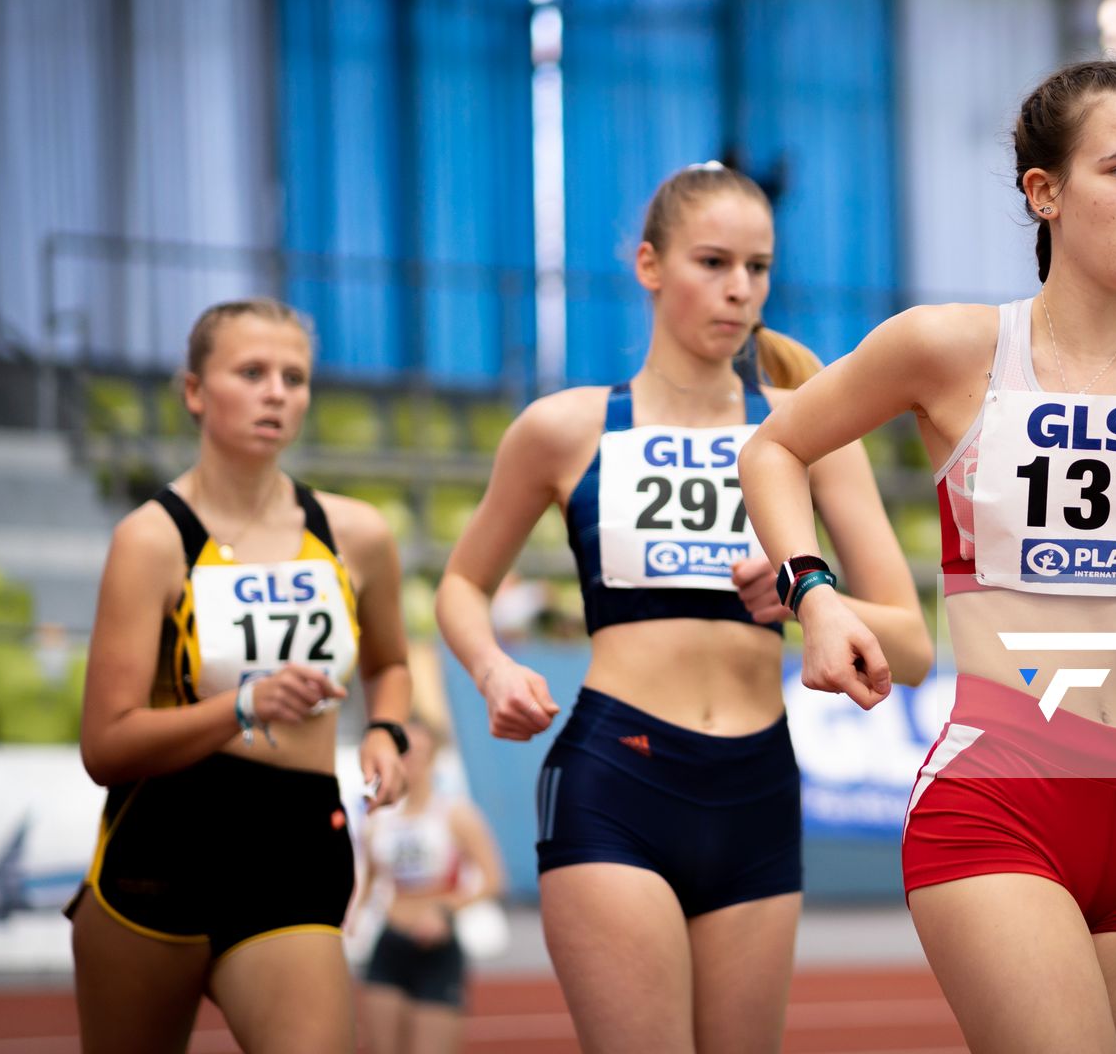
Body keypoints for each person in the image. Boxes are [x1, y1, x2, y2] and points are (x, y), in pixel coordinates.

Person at [740, 60, 1116, 1054]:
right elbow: (775, 446)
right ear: (1044, 191)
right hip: (1000, 795)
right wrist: (816, 594)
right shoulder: (952, 347)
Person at [436, 162, 931, 1054]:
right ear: (650, 265)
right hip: (616, 777)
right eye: (713, 262)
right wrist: (493, 666)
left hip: (757, 789)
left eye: (759, 267)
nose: (740, 290)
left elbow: (912, 643)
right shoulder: (566, 428)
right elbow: (462, 584)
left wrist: (804, 598)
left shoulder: (809, 426)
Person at [70, 297, 413, 1054]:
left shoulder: (355, 533)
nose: (276, 393)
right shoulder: (151, 541)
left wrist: (388, 731)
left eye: (294, 377)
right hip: (161, 847)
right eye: (251, 372)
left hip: (293, 845)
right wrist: (244, 705)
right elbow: (106, 745)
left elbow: (390, 663)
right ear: (195, 391)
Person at [357, 718, 507, 1054]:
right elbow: (365, 885)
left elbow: (494, 879)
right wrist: (346, 928)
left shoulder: (455, 813)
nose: (409, 761)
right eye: (402, 752)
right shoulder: (378, 818)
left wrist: (444, 911)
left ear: (433, 756)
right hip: (389, 944)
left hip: (437, 948)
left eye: (418, 752)